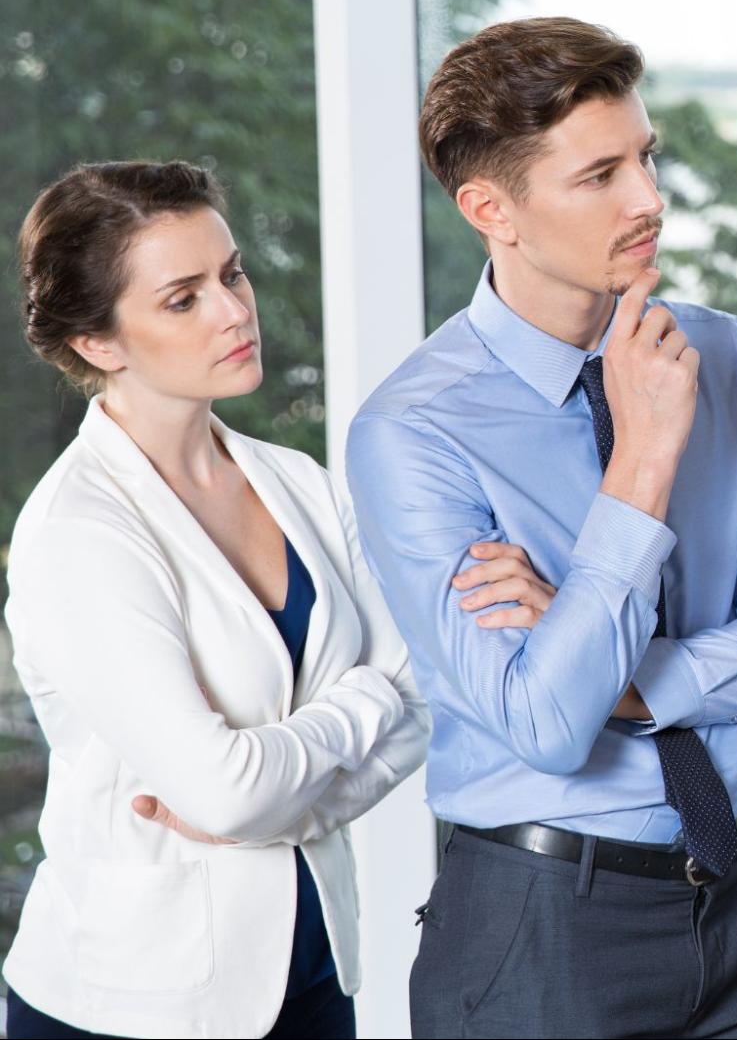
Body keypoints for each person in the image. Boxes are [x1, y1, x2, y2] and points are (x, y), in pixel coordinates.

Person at [345, 17, 737, 1039]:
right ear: (493, 209)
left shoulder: (724, 354)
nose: (650, 200)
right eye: (602, 174)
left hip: (733, 907)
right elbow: (543, 725)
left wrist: (626, 676)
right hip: (539, 930)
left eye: (647, 158)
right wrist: (644, 461)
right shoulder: (412, 433)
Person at [2, 162, 430, 1039]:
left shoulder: (298, 482)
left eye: (231, 273)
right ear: (99, 343)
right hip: (141, 1003)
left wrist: (292, 804)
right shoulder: (77, 531)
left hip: (313, 971)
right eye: (182, 298)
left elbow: (424, 700)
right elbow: (231, 791)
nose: (236, 310)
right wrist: (365, 700)